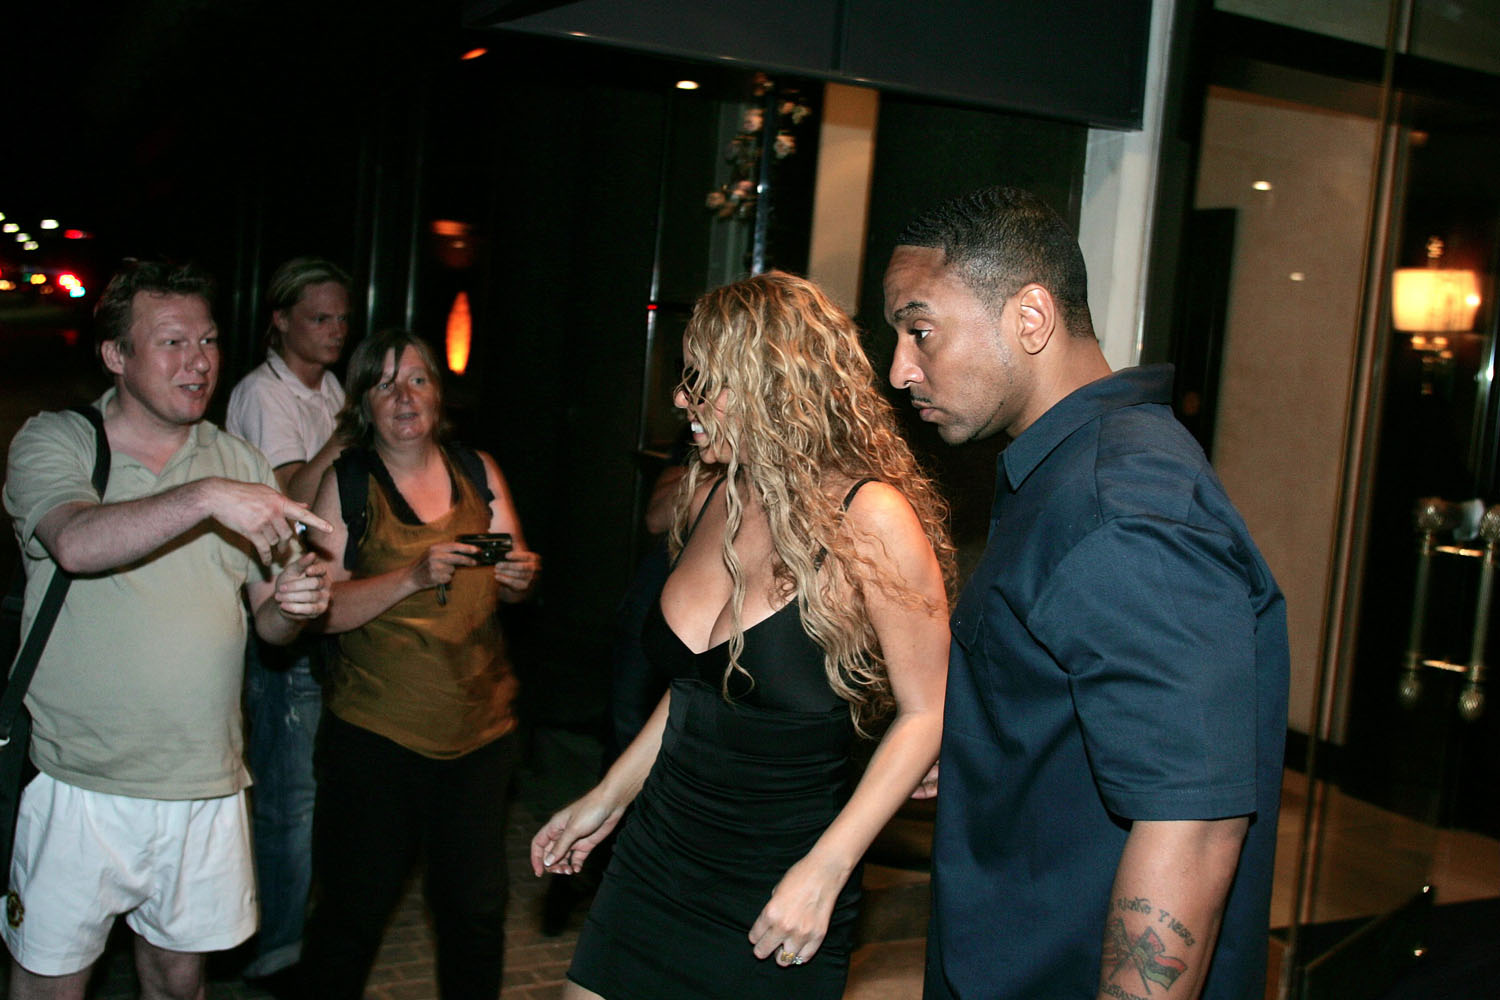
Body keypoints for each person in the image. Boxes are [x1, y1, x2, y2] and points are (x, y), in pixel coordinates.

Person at [882, 186, 1290, 1000]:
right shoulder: (1069, 473)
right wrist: (989, 748)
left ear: (1031, 318)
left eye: (920, 330)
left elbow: (1194, 823)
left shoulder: (1121, 508)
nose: (900, 369)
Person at [531, 271, 954, 1000]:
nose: (680, 400)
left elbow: (927, 710)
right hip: (655, 859)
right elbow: (701, 687)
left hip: (782, 877)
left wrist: (826, 870)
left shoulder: (870, 517)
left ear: (773, 384)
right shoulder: (713, 495)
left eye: (701, 381)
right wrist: (608, 796)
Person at [1, 258, 332, 1000]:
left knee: (179, 983)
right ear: (116, 355)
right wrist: (206, 496)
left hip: (205, 782)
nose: (200, 361)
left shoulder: (239, 460)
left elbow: (270, 625)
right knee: (49, 985)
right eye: (173, 342)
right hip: (79, 781)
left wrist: (293, 605)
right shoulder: (56, 440)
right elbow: (75, 542)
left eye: (208, 340)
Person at [298, 328, 541, 1000]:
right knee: (351, 916)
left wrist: (520, 578)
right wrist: (410, 576)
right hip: (377, 738)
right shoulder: (348, 484)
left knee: (475, 913)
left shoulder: (478, 470)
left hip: (479, 734)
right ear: (364, 404)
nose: (404, 397)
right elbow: (319, 612)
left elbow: (513, 578)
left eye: (417, 379)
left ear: (438, 393)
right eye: (385, 384)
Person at [225, 256, 352, 990]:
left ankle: (293, 933)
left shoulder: (327, 387)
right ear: (279, 321)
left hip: (323, 600)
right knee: (286, 795)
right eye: (319, 318)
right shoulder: (261, 395)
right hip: (276, 603)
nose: (335, 331)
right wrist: (348, 434)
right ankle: (273, 950)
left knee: (312, 786)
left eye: (341, 318)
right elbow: (284, 498)